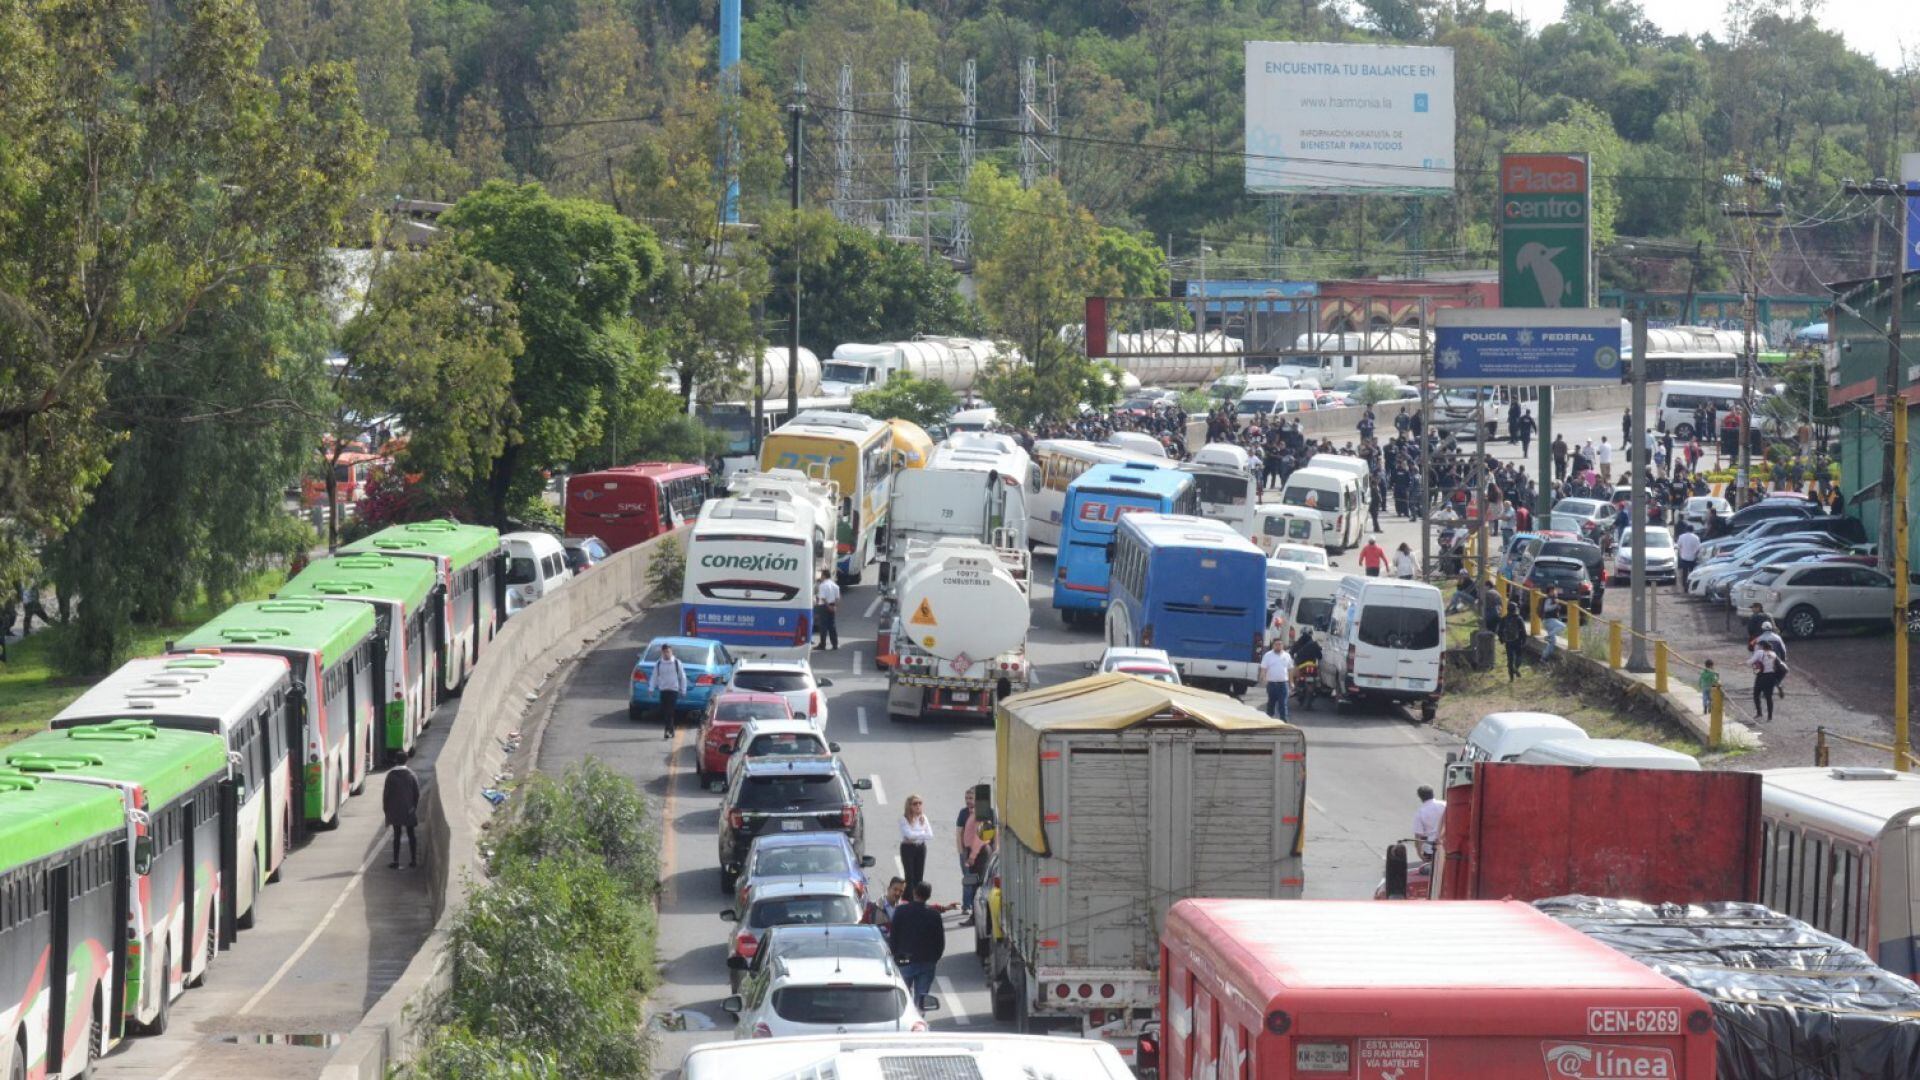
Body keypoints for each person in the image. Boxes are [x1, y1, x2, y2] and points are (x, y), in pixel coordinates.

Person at [889, 882, 946, 1005]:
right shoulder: (934, 915)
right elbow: (940, 941)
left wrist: (895, 955)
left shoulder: (901, 911)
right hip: (927, 960)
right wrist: (934, 958)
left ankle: (906, 1014)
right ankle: (919, 1014)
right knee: (921, 999)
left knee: (902, 996)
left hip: (904, 958)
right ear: (928, 896)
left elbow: (893, 936)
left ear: (914, 893)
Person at [382, 761, 420, 869]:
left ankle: (396, 861)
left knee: (397, 835)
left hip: (395, 810)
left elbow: (386, 794)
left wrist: (386, 809)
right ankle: (413, 860)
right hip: (409, 810)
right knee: (411, 835)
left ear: (396, 760)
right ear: (406, 761)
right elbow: (417, 793)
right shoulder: (411, 774)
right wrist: (413, 807)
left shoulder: (391, 775)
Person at [649, 642, 688, 738]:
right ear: (662, 653)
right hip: (663, 690)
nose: (667, 654)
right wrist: (651, 688)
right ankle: (671, 730)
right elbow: (654, 676)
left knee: (669, 711)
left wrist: (683, 690)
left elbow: (682, 677)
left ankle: (667, 731)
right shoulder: (659, 663)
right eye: (665, 652)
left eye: (668, 652)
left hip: (673, 690)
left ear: (671, 652)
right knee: (665, 711)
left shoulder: (677, 663)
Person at [955, 788, 983, 914]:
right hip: (966, 850)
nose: (968, 801)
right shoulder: (963, 813)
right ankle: (966, 906)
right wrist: (962, 853)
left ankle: (977, 906)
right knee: (968, 877)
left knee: (981, 879)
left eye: (971, 798)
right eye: (966, 798)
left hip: (981, 851)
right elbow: (959, 833)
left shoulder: (984, 812)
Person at [899, 795, 934, 890]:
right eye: (915, 803)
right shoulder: (904, 819)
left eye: (920, 803)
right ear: (909, 806)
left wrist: (915, 836)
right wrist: (922, 833)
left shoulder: (923, 818)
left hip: (921, 848)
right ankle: (909, 896)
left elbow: (930, 835)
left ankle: (917, 896)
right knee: (909, 876)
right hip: (908, 848)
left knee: (919, 875)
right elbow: (909, 835)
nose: (918, 805)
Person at [1259, 638, 1294, 719]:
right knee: (1271, 703)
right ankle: (1269, 720)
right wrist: (1263, 678)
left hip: (1283, 684)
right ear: (1273, 646)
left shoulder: (1287, 655)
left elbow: (1290, 669)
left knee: (1283, 704)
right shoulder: (1268, 655)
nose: (1278, 646)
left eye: (1280, 644)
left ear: (1283, 645)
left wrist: (1291, 682)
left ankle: (1284, 721)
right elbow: (1263, 668)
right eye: (1276, 644)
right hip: (1272, 684)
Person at [1412, 785, 1446, 862]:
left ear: (1420, 797)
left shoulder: (1420, 812)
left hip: (1431, 849)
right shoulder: (1445, 804)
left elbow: (1418, 836)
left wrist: (1419, 853)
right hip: (1447, 845)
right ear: (1433, 794)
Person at [1750, 642, 1782, 722]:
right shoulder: (1774, 654)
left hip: (1760, 676)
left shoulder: (1760, 653)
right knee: (1769, 697)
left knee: (1756, 694)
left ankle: (1759, 713)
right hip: (1770, 677)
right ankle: (1769, 716)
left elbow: (1752, 662)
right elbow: (1779, 666)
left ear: (1763, 648)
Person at [1497, 601, 1528, 681]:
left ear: (1507, 609)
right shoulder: (1519, 618)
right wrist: (1524, 640)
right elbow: (1523, 631)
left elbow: (1499, 631)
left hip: (1508, 641)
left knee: (1510, 660)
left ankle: (1511, 678)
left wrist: (1501, 640)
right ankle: (1516, 668)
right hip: (1518, 641)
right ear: (1515, 609)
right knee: (1519, 657)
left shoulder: (1504, 618)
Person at [815, 569, 841, 651]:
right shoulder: (835, 585)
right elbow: (837, 598)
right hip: (832, 605)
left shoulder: (823, 585)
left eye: (821, 575)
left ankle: (822, 645)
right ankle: (835, 644)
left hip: (824, 606)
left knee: (823, 626)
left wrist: (827, 606)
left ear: (824, 576)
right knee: (832, 625)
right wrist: (835, 606)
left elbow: (823, 598)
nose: (821, 577)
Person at [1538, 590, 1567, 660]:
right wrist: (1555, 605)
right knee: (1563, 626)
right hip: (1549, 620)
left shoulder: (1553, 600)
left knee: (1552, 642)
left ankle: (1543, 658)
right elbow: (1546, 608)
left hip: (1549, 621)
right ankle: (1548, 636)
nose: (1555, 593)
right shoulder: (1549, 600)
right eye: (1554, 592)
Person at [1675, 526, 1700, 591]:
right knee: (1692, 573)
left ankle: (1685, 587)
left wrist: (1680, 554)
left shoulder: (1681, 536)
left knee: (1684, 573)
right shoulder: (1696, 537)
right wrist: (1695, 555)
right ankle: (1690, 586)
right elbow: (1698, 549)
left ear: (1686, 530)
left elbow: (1678, 546)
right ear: (1693, 530)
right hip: (1692, 558)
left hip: (1684, 557)